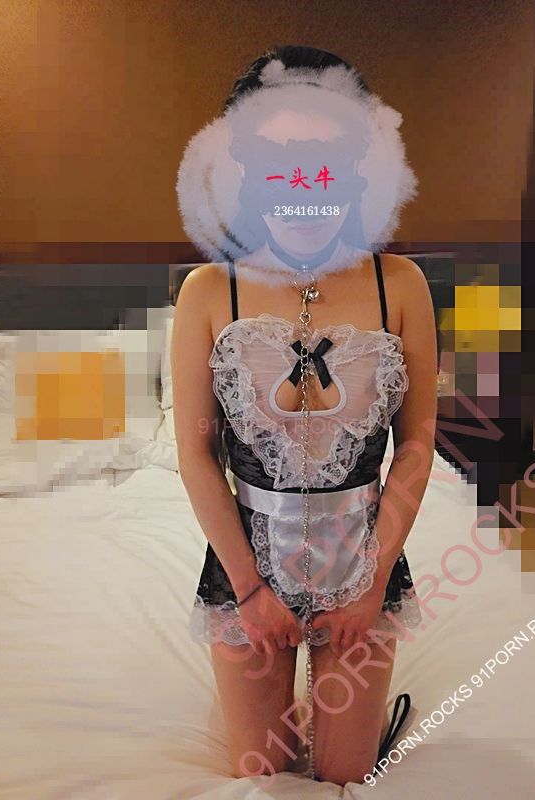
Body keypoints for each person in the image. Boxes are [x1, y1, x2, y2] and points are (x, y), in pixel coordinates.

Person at [172, 44, 438, 786]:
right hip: (248, 562)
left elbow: (418, 443)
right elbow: (196, 455)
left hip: (364, 556)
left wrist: (371, 581)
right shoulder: (207, 291)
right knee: (264, 771)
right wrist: (251, 592)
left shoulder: (401, 285)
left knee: (345, 774)